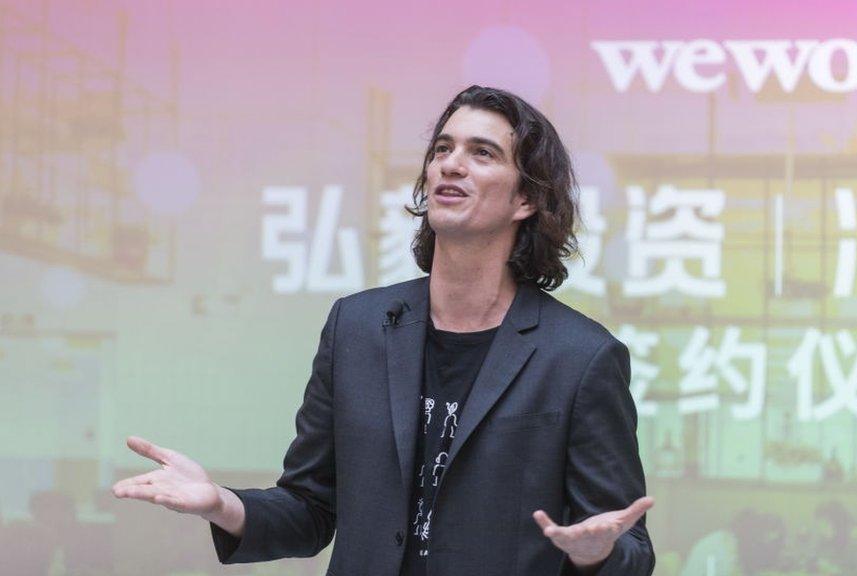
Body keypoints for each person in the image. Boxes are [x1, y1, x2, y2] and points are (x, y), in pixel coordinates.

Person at [112, 85, 655, 576]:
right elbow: (310, 507)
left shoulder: (581, 357)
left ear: (526, 199)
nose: (451, 165)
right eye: (442, 149)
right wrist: (220, 503)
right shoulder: (359, 327)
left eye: (481, 153)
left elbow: (630, 547)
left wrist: (597, 554)